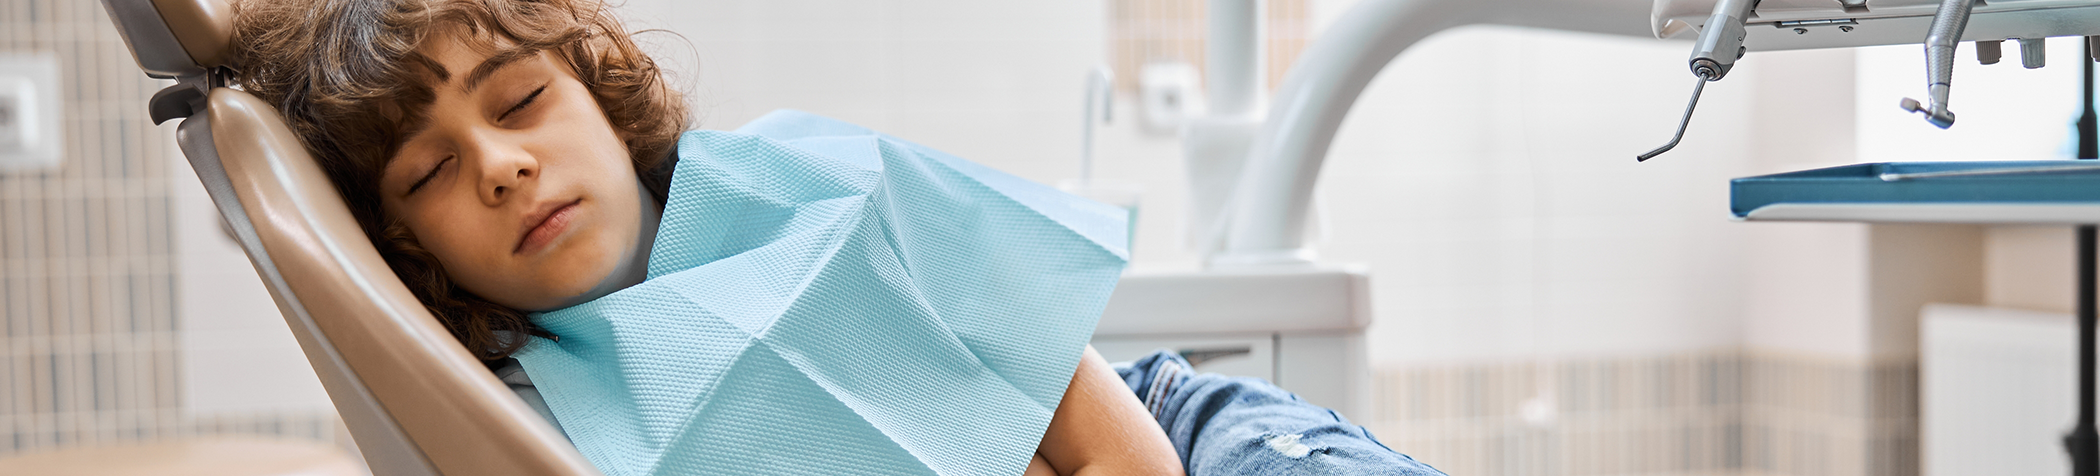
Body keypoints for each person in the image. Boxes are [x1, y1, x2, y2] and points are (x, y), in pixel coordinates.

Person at [227, 0, 1441, 474]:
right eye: (432, 170)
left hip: (1159, 440)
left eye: (523, 99)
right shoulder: (518, 404)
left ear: (595, 88)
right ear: (405, 242)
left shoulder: (788, 175)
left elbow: (1083, 410)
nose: (502, 166)